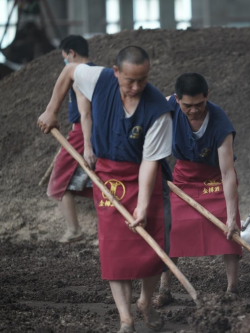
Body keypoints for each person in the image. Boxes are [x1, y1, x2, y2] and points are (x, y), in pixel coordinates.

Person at [37, 46, 173, 333]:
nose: (136, 87)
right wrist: (52, 110)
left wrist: (142, 206)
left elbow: (150, 163)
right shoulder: (98, 79)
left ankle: (145, 301)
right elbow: (69, 70)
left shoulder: (159, 109)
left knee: (151, 248)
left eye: (143, 80)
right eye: (129, 81)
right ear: (116, 73)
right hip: (108, 178)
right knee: (115, 250)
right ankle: (125, 318)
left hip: (143, 176)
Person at [155, 73, 242, 306]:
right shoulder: (168, 106)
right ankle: (165, 289)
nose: (194, 110)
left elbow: (227, 173)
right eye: (187, 106)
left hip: (215, 177)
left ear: (207, 96)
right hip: (183, 177)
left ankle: (232, 290)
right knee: (170, 227)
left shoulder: (220, 123)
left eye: (199, 104)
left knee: (229, 230)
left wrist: (232, 217)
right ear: (177, 99)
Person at [46, 35, 96, 243]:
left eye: (65, 57)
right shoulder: (98, 72)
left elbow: (86, 114)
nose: (65, 61)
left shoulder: (78, 74)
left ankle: (75, 230)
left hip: (82, 133)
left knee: (58, 182)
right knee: (99, 182)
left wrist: (86, 144)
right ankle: (100, 231)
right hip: (97, 133)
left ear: (71, 54)